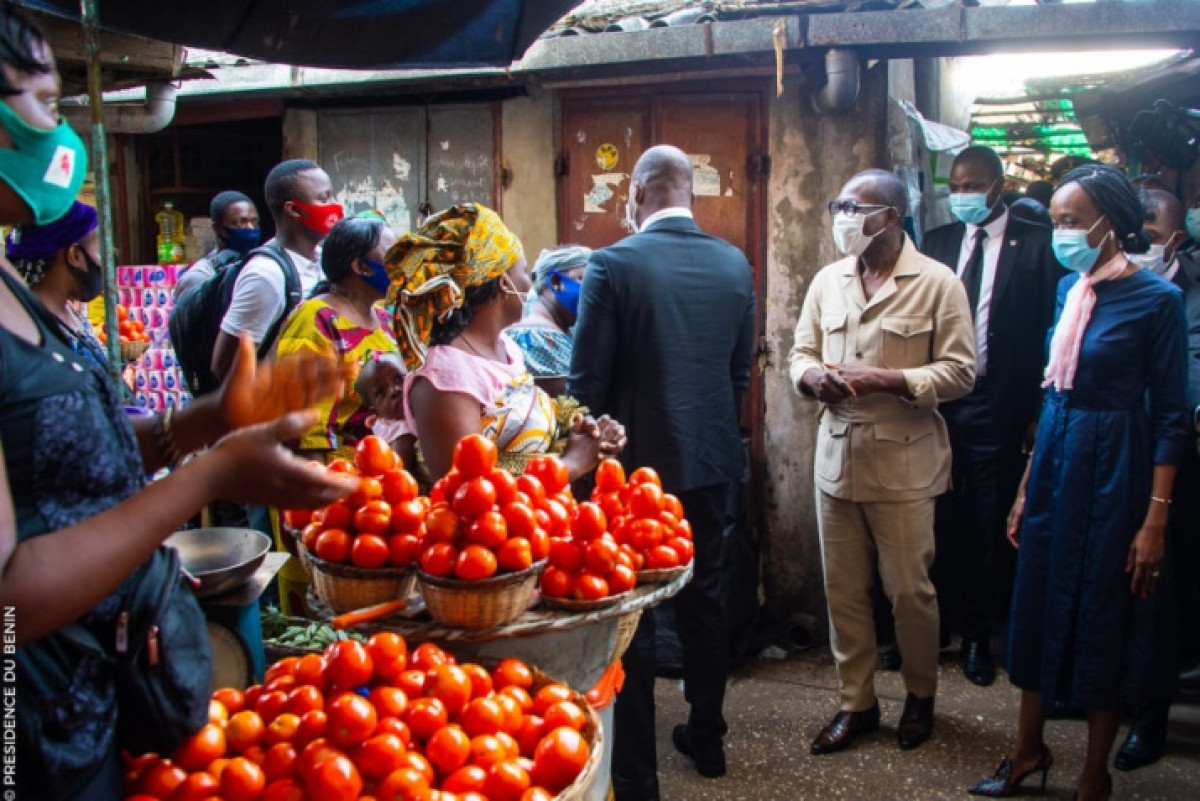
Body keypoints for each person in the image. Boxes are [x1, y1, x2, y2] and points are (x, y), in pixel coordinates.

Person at [0, 9, 357, 798]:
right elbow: (9, 595)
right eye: (47, 101)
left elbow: (68, 458)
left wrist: (209, 418)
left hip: (96, 690)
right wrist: (204, 477)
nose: (63, 129)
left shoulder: (14, 294)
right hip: (25, 729)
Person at [970, 166, 1189, 801]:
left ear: (1109, 224)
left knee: (1102, 614)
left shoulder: (1157, 301)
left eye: (1072, 221)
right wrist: (1025, 486)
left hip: (1117, 470)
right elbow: (1053, 391)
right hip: (1058, 462)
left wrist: (1155, 520)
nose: (1062, 233)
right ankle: (1026, 750)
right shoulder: (1070, 289)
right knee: (1034, 603)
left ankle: (1095, 774)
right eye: (1057, 220)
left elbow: (1173, 417)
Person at [569, 144, 755, 797]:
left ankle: (637, 777)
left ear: (639, 192)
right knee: (707, 599)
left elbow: (585, 384)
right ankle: (708, 739)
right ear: (688, 195)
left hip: (633, 475)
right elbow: (737, 375)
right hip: (711, 462)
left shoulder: (612, 265)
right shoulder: (734, 263)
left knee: (634, 614)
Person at [788, 168, 975, 756]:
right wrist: (810, 376)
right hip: (837, 456)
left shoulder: (938, 283)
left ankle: (920, 696)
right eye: (837, 205)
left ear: (889, 217)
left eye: (853, 206)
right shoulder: (828, 280)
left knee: (908, 592)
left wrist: (889, 379)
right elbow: (800, 351)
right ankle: (857, 703)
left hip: (904, 461)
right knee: (843, 591)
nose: (842, 217)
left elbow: (961, 372)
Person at [920, 145, 1064, 687]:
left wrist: (1033, 412)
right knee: (935, 516)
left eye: (973, 184)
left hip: (996, 403)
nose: (963, 195)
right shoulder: (936, 242)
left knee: (987, 519)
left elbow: (1047, 334)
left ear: (999, 185)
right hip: (938, 400)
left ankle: (980, 636)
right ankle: (932, 628)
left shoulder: (1038, 248)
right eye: (956, 185)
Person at [388, 202, 624, 483]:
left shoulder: (505, 348)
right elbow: (467, 492)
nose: (529, 285)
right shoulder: (444, 375)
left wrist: (581, 433)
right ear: (502, 282)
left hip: (538, 520)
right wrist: (572, 464)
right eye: (524, 271)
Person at [1107, 188, 1200, 772]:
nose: (1139, 235)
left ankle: (1151, 713)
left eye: (1150, 223)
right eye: (1130, 223)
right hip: (1116, 448)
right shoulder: (1100, 283)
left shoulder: (1184, 288)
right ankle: (1105, 694)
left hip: (1176, 451)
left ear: (1177, 235)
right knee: (1109, 580)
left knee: (1161, 591)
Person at [274, 214, 399, 463]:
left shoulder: (385, 320)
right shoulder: (314, 321)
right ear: (361, 267)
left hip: (384, 474)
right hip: (338, 476)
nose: (401, 265)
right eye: (393, 256)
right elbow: (304, 430)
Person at [211, 158, 344, 382]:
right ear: (293, 210)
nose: (334, 205)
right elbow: (225, 366)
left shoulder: (323, 260)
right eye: (323, 198)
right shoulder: (266, 274)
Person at [4, 200, 106, 369]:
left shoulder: (70, 314)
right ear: (74, 255)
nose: (107, 263)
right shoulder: (35, 330)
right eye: (100, 251)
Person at [507, 245, 592, 397]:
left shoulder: (565, 330)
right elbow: (573, 403)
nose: (594, 290)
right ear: (556, 282)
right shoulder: (537, 337)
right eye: (584, 280)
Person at [173, 190, 261, 298]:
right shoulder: (200, 277)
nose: (250, 228)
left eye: (254, 222)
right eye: (240, 222)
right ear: (217, 228)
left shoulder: (258, 266)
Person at [355, 350, 416, 469]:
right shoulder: (398, 430)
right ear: (374, 409)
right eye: (381, 393)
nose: (394, 391)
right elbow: (398, 471)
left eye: (398, 379)